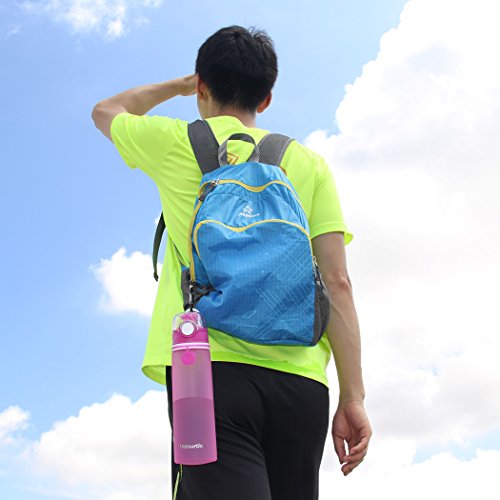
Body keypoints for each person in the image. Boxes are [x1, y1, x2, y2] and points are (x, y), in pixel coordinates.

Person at [92, 25, 372, 500]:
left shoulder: (175, 141)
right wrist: (354, 396)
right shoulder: (309, 165)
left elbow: (106, 111)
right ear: (266, 97)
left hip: (207, 374)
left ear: (203, 86)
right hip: (302, 382)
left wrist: (178, 86)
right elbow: (337, 281)